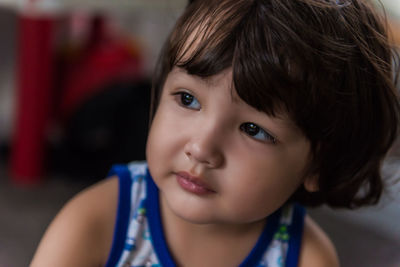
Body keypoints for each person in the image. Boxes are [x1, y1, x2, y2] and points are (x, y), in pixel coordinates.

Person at [30, 0, 400, 266]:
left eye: (254, 129)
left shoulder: (303, 258)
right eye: (188, 99)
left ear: (320, 162)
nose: (202, 147)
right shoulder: (98, 222)